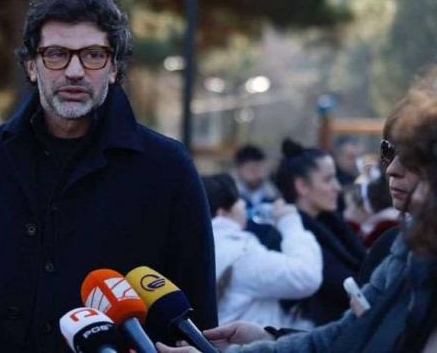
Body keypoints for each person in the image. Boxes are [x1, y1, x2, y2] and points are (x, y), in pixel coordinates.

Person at [0, 0, 217, 352]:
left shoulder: (168, 168)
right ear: (32, 66)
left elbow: (197, 318)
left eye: (94, 55)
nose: (75, 71)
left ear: (114, 68)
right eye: (56, 55)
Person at [157, 76, 437, 353]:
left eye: (415, 158)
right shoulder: (404, 246)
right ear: (301, 186)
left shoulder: (389, 239)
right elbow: (344, 335)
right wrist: (271, 338)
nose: (391, 169)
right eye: (389, 151)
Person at [203, 173, 321, 329]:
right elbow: (305, 276)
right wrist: (289, 221)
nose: (243, 204)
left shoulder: (202, 246)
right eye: (238, 200)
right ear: (222, 212)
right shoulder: (240, 253)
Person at [273, 139, 365, 326]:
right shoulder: (289, 238)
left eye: (335, 178)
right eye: (328, 179)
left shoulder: (333, 225)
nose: (337, 187)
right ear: (302, 186)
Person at [231, 145, 282, 251]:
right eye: (252, 169)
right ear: (239, 170)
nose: (257, 173)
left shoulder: (276, 199)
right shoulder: (232, 200)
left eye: (261, 168)